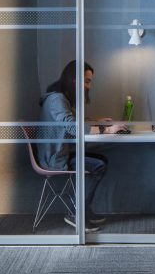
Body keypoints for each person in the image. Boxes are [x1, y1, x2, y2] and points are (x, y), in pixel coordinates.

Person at [39, 60, 125, 232]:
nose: (88, 86)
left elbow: (71, 122)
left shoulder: (60, 98)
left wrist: (94, 121)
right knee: (98, 165)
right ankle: (77, 211)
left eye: (89, 81)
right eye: (86, 81)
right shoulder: (57, 99)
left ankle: (82, 209)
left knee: (100, 160)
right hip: (55, 159)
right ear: (73, 79)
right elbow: (72, 127)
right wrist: (106, 130)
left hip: (61, 153)